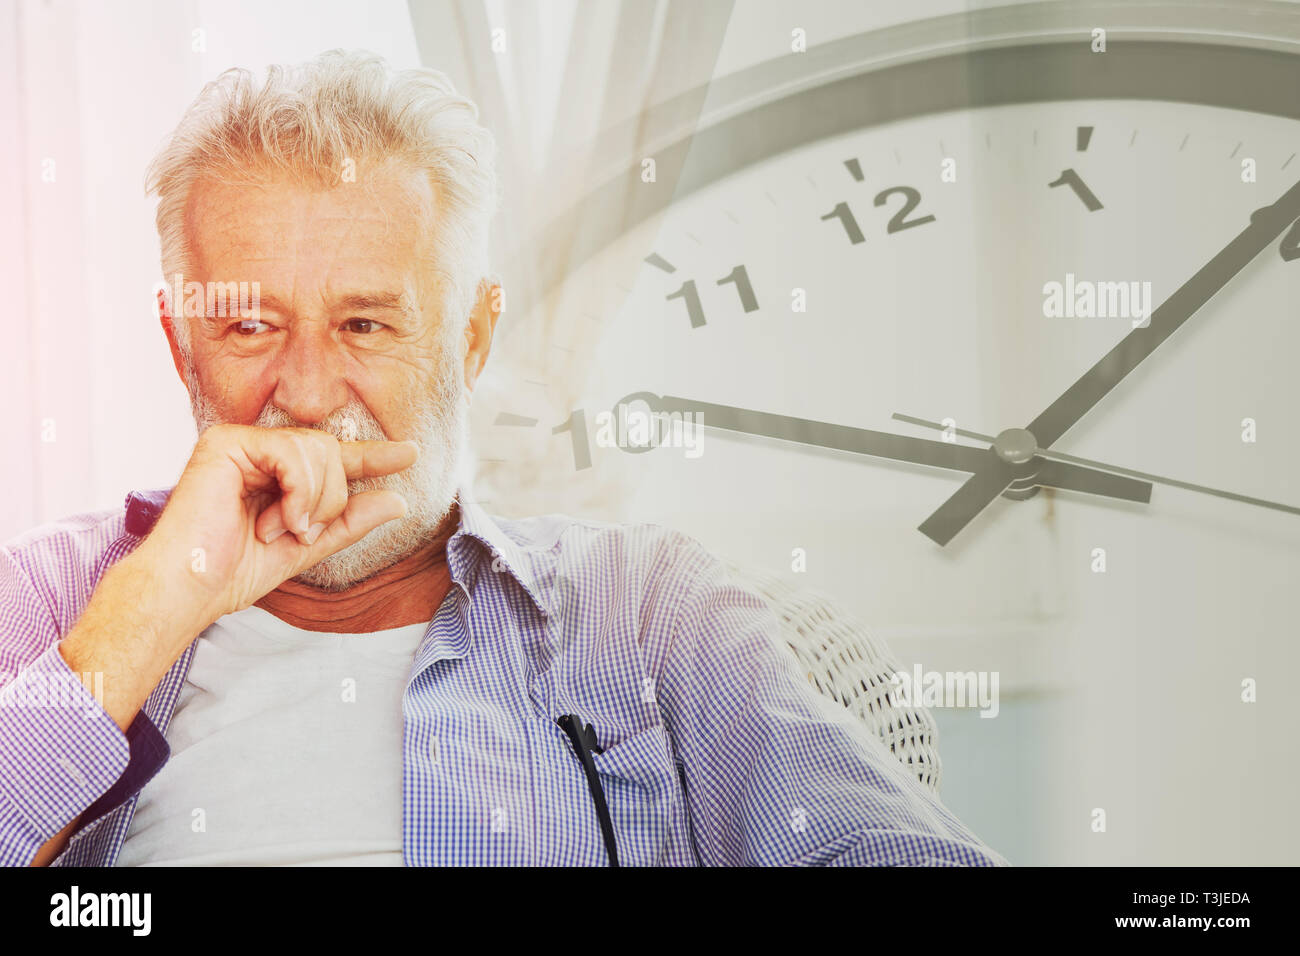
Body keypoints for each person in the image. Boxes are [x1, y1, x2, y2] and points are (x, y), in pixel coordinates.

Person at [0, 50, 1006, 867]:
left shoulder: (646, 608)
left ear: (471, 338)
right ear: (182, 343)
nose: (306, 392)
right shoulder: (50, 601)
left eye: (364, 323)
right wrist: (154, 605)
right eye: (253, 326)